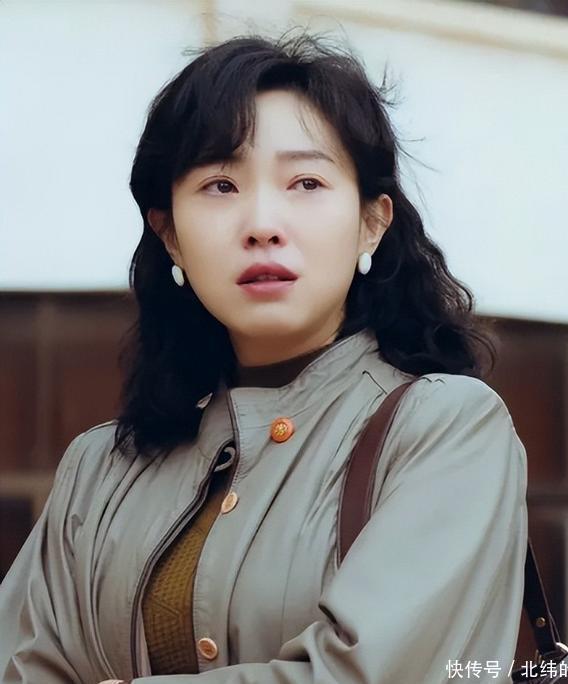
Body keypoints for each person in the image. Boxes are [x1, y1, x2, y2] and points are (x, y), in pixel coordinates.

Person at [0, 29, 528, 684]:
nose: (262, 224)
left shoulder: (446, 429)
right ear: (169, 235)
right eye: (220, 185)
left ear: (371, 222)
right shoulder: (99, 469)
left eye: (306, 182)